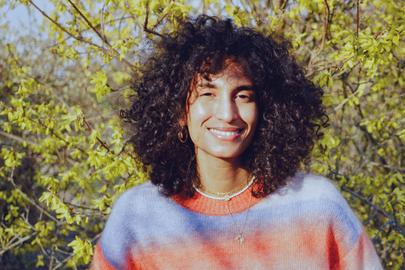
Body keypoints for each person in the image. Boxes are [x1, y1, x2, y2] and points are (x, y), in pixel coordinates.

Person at [91, 15, 383, 270]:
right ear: (179, 111)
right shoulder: (138, 216)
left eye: (243, 95)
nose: (227, 114)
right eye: (208, 94)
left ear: (267, 110)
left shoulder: (317, 204)